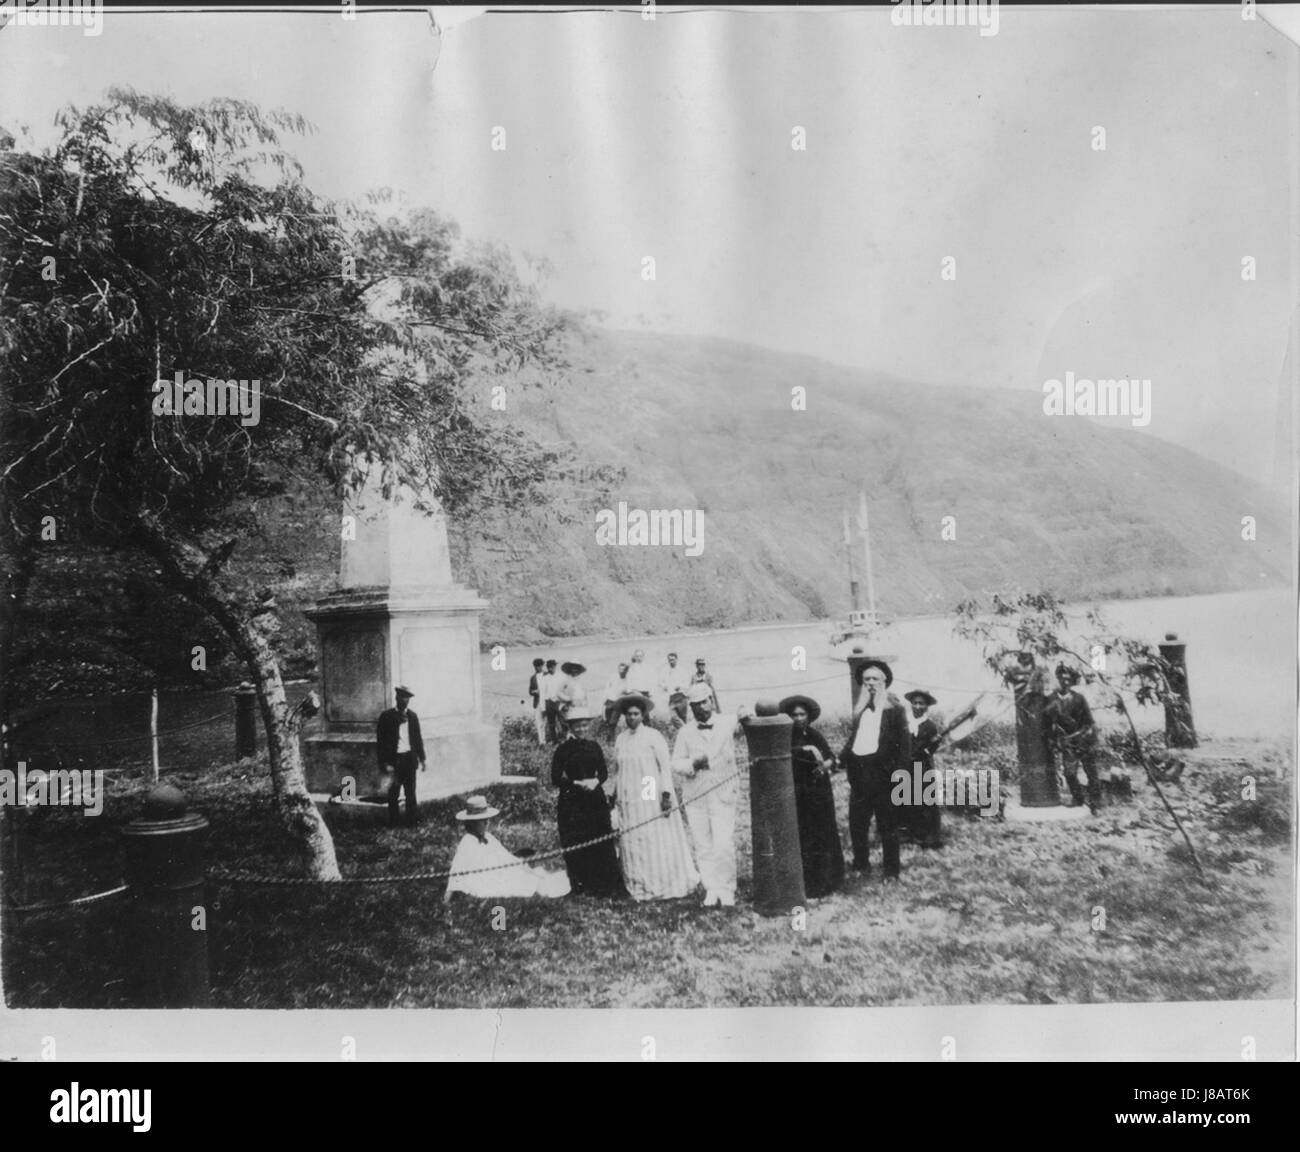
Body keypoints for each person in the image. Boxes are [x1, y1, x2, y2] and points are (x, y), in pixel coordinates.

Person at [611, 694, 699, 901]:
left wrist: (665, 795)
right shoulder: (621, 739)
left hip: (647, 787)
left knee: (649, 830)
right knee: (631, 835)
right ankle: (636, 882)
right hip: (627, 792)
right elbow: (617, 769)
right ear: (624, 716)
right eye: (629, 715)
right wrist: (615, 794)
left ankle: (657, 881)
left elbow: (664, 768)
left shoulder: (652, 736)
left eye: (636, 714)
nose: (632, 718)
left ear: (643, 715)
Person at [671, 683, 750, 907]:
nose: (700, 708)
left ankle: (726, 889)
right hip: (696, 795)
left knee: (723, 844)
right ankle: (711, 888)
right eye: (695, 705)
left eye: (704, 702)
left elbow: (745, 718)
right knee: (702, 844)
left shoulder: (727, 722)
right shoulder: (685, 732)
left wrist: (744, 711)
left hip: (723, 793)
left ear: (712, 701)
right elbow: (675, 763)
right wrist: (692, 764)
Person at [839, 660, 911, 880]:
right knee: (857, 823)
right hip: (860, 776)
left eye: (875, 679)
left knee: (887, 825)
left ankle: (891, 871)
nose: (870, 683)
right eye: (867, 679)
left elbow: (904, 746)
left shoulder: (895, 711)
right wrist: (838, 760)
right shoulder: (861, 711)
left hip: (884, 776)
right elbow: (853, 741)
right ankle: (861, 864)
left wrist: (899, 776)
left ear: (884, 682)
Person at [550, 707, 624, 897]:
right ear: (571, 727)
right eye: (577, 726)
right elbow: (555, 778)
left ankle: (603, 883)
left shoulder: (594, 747)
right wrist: (575, 783)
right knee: (577, 840)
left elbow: (604, 772)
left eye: (584, 725)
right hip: (573, 802)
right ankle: (580, 882)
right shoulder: (563, 749)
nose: (582, 729)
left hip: (594, 799)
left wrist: (595, 781)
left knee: (599, 837)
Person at [780, 694, 845, 897]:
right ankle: (808, 884)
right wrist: (805, 751)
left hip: (819, 794)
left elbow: (831, 758)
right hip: (799, 794)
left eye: (802, 714)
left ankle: (828, 880)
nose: (798, 718)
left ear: (808, 716)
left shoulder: (815, 735)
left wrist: (826, 763)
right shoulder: (784, 737)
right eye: (794, 715)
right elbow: (786, 756)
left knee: (823, 833)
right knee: (804, 836)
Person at [444, 796, 570, 900]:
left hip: (498, 873)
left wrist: (522, 866)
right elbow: (456, 873)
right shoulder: (467, 842)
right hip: (483, 881)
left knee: (536, 876)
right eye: (482, 821)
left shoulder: (488, 837)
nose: (486, 824)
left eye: (486, 820)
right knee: (525, 885)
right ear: (470, 823)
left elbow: (506, 857)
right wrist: (447, 899)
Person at [1044, 663, 1102, 814]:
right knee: (1069, 773)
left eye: (1068, 679)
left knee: (1091, 772)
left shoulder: (1079, 698)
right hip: (1067, 743)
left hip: (1084, 740)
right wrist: (1053, 740)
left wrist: (1082, 735)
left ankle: (1096, 804)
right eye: (1062, 678)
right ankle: (1079, 799)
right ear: (1057, 679)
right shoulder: (1050, 699)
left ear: (1072, 680)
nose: (1065, 682)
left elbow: (1089, 721)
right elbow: (1047, 723)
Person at [376, 686, 427, 827]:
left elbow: (418, 739)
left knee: (411, 793)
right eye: (402, 697)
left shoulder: (412, 716)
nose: (404, 701)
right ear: (396, 698)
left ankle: (411, 821)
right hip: (394, 760)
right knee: (393, 793)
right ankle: (394, 822)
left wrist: (422, 759)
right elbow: (381, 742)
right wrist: (384, 762)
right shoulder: (386, 717)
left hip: (409, 759)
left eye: (407, 698)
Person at [903, 689, 943, 848]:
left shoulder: (930, 726)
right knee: (906, 798)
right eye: (915, 703)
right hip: (906, 766)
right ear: (911, 704)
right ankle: (909, 834)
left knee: (924, 800)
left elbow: (928, 750)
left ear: (927, 706)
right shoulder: (905, 724)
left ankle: (927, 837)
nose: (918, 706)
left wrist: (932, 744)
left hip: (922, 766)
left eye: (921, 703)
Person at [603, 661, 632, 731]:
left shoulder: (628, 680)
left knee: (613, 722)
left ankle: (611, 738)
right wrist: (604, 701)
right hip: (609, 702)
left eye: (624, 669)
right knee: (607, 721)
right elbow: (606, 689)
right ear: (618, 669)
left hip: (618, 703)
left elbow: (628, 692)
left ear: (627, 670)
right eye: (620, 669)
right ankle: (608, 738)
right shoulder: (613, 677)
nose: (622, 671)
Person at [542, 659, 561, 744]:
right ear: (548, 668)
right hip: (549, 703)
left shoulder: (560, 676)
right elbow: (542, 693)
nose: (552, 668)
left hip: (559, 702)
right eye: (550, 667)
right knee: (551, 723)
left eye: (554, 666)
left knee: (563, 721)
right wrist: (543, 707)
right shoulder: (545, 678)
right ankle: (554, 740)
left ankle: (564, 739)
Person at [528, 658, 546, 746]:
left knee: (551, 721)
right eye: (536, 666)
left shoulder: (547, 675)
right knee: (540, 722)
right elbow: (530, 691)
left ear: (542, 666)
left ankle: (554, 739)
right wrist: (535, 692)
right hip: (538, 702)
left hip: (547, 701)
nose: (537, 668)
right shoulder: (532, 678)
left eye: (539, 666)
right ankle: (542, 742)